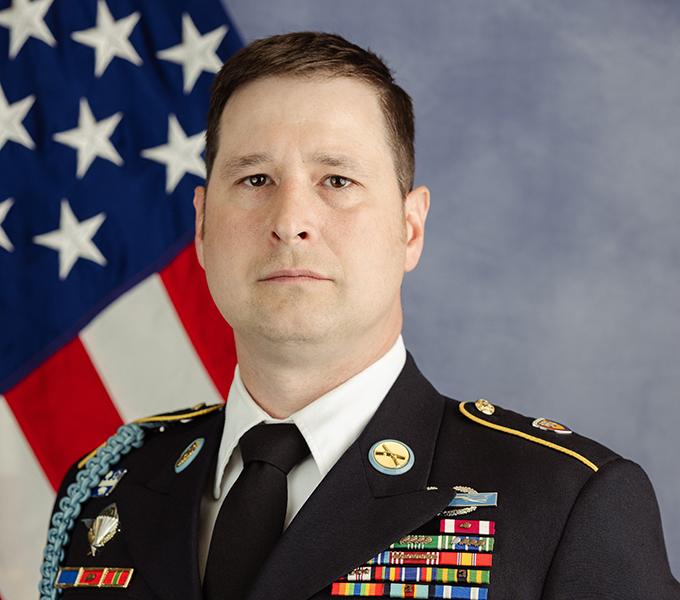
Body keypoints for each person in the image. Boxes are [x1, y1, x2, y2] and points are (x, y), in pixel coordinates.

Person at [43, 31, 680, 600]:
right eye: (255, 179)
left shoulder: (563, 503)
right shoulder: (108, 486)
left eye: (337, 181)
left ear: (410, 227)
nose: (290, 223)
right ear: (203, 227)